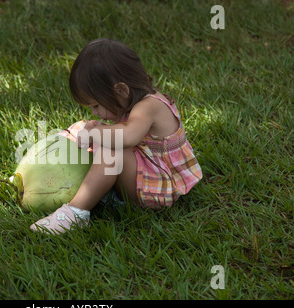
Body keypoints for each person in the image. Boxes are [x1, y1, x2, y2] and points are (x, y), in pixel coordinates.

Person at [30, 38, 202, 234]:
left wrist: (96, 132)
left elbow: (127, 137)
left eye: (96, 105)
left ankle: (76, 213)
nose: (94, 111)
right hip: (142, 171)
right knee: (86, 129)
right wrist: (94, 129)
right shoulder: (132, 101)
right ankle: (36, 171)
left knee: (112, 151)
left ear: (121, 90)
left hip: (158, 185)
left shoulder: (149, 106)